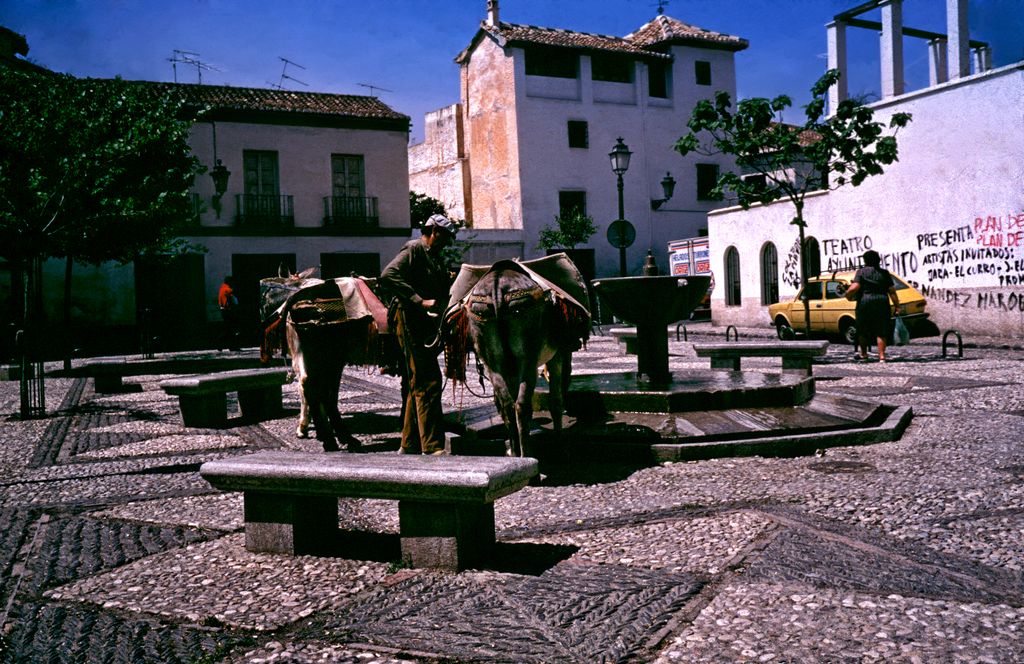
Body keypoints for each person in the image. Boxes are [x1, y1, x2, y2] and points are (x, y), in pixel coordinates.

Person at [379, 214, 457, 455]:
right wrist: (418, 300)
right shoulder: (414, 248)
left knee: (417, 382)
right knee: (427, 380)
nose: (446, 244)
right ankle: (432, 446)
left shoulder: (433, 256)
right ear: (433, 231)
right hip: (409, 319)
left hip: (422, 323)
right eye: (444, 238)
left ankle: (409, 442)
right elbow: (388, 275)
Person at [844, 250, 900, 362]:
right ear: (878, 260)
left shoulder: (861, 272)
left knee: (862, 330)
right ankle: (882, 356)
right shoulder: (885, 273)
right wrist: (897, 307)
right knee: (881, 330)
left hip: (865, 303)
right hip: (882, 302)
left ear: (865, 260)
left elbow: (854, 287)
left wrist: (847, 295)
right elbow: (892, 291)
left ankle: (864, 354)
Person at [218, 275, 241, 351]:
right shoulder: (226, 288)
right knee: (230, 329)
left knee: (229, 329)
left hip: (225, 311)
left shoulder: (222, 288)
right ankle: (228, 345)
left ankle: (227, 345)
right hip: (228, 311)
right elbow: (231, 292)